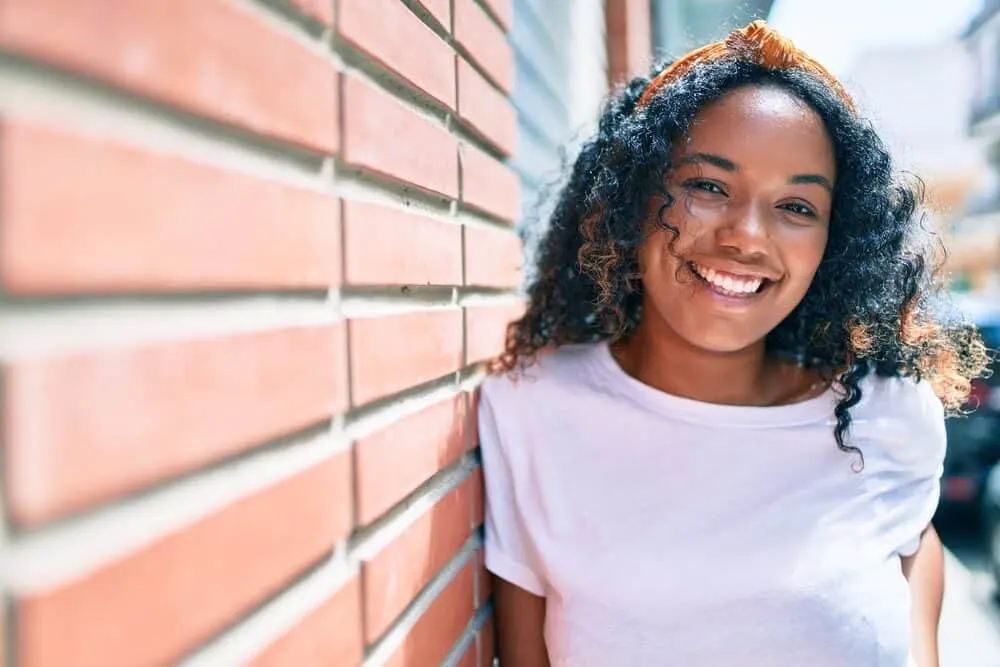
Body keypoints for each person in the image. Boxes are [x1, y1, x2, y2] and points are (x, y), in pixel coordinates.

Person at [478, 20, 990, 667]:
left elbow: (916, 583)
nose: (748, 236)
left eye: (797, 207)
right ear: (633, 199)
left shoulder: (888, 417)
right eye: (708, 187)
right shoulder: (534, 410)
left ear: (834, 242)